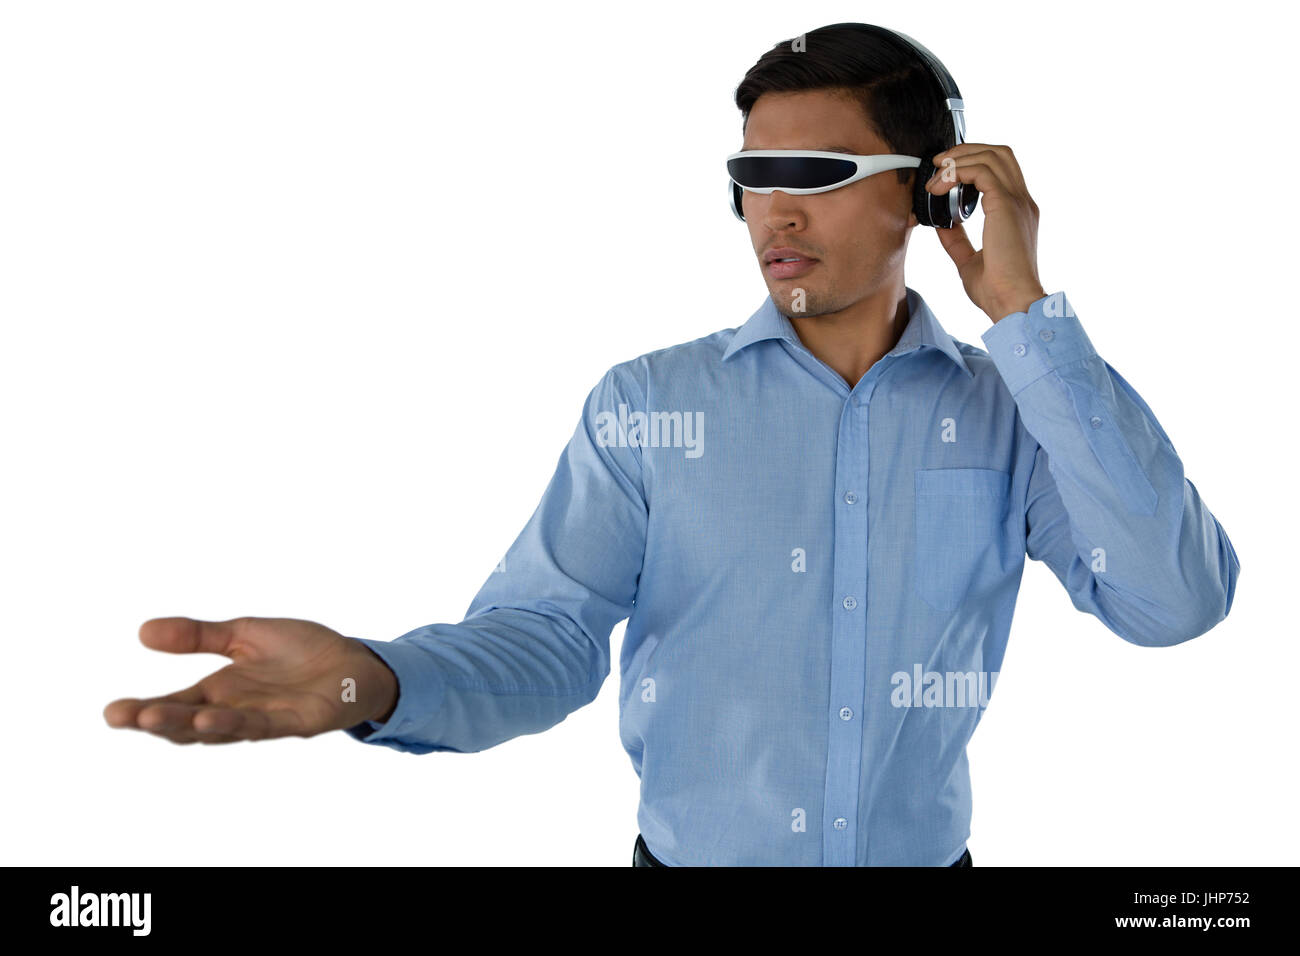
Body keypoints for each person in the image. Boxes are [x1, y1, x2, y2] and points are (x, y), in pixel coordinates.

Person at [104, 22, 1240, 867]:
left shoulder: (1016, 410)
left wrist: (1026, 318)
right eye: (752, 178)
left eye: (815, 178)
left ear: (936, 195)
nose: (773, 216)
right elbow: (547, 639)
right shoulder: (645, 404)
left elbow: (1173, 601)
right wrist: (377, 676)